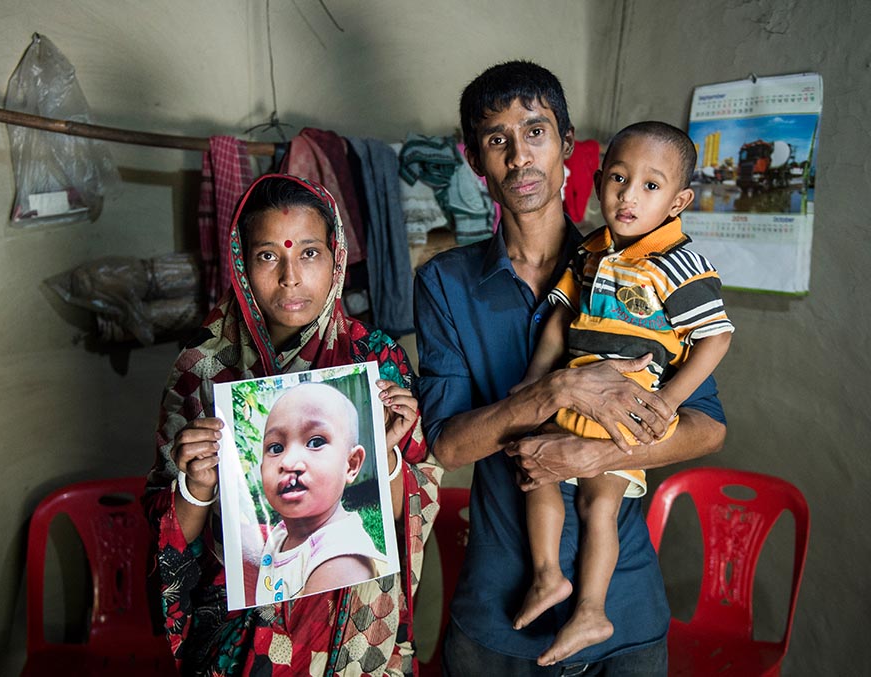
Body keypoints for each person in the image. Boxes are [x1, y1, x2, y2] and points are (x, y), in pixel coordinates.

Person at [414, 60, 727, 675]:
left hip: (627, 610)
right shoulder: (444, 283)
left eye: (535, 132)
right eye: (496, 140)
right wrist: (557, 388)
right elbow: (447, 446)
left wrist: (600, 454)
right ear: (476, 162)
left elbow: (708, 426)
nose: (519, 156)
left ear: (566, 145)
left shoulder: (636, 267)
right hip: (498, 616)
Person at [143, 174, 441, 677]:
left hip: (356, 638)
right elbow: (166, 527)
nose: (290, 277)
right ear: (240, 262)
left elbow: (402, 517)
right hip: (242, 646)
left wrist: (388, 453)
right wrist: (195, 487)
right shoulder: (203, 369)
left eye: (308, 253)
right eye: (267, 256)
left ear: (336, 256)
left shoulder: (376, 361)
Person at [510, 121, 735, 664]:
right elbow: (561, 320)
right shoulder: (590, 250)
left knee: (599, 507)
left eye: (650, 186)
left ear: (679, 200)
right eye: (617, 178)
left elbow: (716, 336)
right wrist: (535, 376)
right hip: (569, 400)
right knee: (535, 472)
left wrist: (669, 401)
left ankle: (591, 610)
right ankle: (547, 578)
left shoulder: (680, 263)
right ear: (596, 181)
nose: (628, 196)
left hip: (626, 411)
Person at [250, 382, 389, 605]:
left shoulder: (341, 558)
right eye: (276, 448)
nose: (288, 462)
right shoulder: (283, 533)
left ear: (351, 464)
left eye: (315, 442)